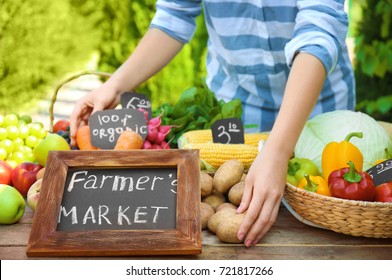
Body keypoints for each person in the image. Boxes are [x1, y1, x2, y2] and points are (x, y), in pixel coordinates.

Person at [70, 0, 355, 247]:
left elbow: (319, 29)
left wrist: (277, 152)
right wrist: (116, 86)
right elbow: (174, 15)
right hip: (237, 109)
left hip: (316, 115)